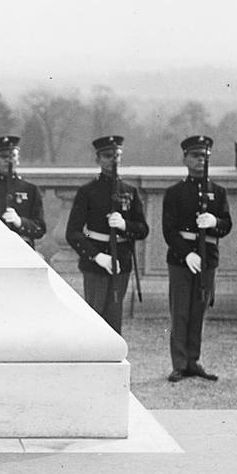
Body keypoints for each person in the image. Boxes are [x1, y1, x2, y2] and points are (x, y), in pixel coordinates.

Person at [161, 136, 232, 382]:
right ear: (185, 158)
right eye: (195, 156)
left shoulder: (218, 192)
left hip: (207, 258)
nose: (200, 161)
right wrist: (186, 253)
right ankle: (180, 363)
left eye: (204, 156)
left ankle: (194, 360)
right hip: (182, 259)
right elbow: (168, 230)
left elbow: (227, 224)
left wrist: (215, 222)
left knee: (198, 310)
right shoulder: (175, 193)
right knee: (180, 311)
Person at [65, 135, 149, 335]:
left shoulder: (130, 191)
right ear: (98, 159)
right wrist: (97, 256)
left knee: (114, 315)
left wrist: (124, 225)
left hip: (121, 259)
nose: (113, 160)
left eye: (117, 155)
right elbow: (73, 232)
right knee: (94, 316)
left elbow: (142, 229)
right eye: (108, 156)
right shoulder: (88, 191)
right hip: (96, 261)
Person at [0, 135, 45, 247]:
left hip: (23, 250)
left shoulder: (30, 190)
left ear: (18, 159)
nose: (8, 161)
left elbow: (40, 228)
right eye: (3, 157)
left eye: (12, 156)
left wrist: (20, 222)